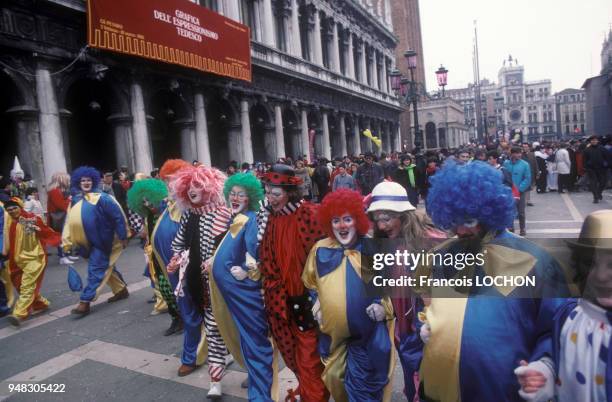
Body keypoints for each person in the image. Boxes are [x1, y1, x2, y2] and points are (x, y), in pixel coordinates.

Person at [415, 161, 570, 402]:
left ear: (488, 211)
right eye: (454, 220)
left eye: (468, 220)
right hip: (440, 390)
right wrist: (428, 326)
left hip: (502, 390)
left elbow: (557, 325)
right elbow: (428, 306)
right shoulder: (440, 257)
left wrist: (545, 365)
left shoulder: (535, 260)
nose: (460, 230)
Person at [303, 189, 395, 401]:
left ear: (357, 220)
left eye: (347, 219)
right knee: (337, 381)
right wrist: (316, 304)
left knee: (364, 391)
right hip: (333, 339)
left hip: (367, 339)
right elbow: (310, 282)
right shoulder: (320, 249)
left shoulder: (371, 248)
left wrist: (383, 306)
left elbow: (389, 285)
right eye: (335, 220)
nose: (342, 226)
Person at [516, 210, 612, 402]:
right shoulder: (569, 314)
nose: (600, 276)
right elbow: (560, 354)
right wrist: (542, 374)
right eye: (590, 263)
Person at [367, 181, 445, 399]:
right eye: (377, 219)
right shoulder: (383, 245)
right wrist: (381, 304)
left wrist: (432, 322)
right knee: (413, 386)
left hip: (432, 331)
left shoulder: (433, 242)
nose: (381, 226)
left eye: (387, 218)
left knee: (432, 387)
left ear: (404, 216)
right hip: (404, 332)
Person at [257, 164, 328, 401]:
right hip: (281, 301)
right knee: (293, 355)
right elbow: (268, 258)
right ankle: (308, 391)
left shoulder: (309, 214)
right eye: (267, 192)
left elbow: (325, 255)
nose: (270, 198)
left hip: (308, 301)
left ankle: (313, 396)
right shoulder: (272, 218)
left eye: (275, 193)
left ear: (290, 192)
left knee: (309, 357)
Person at [209, 173, 277, 401]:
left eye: (241, 194)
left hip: (245, 294)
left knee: (255, 342)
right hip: (233, 293)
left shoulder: (249, 221)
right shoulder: (236, 219)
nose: (235, 197)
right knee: (246, 341)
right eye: (233, 193)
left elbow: (259, 254)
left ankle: (261, 395)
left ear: (250, 198)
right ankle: (256, 382)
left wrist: (247, 272)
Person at [167, 165, 232, 398]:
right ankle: (216, 379)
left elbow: (236, 244)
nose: (193, 190)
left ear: (209, 187)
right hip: (201, 285)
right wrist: (176, 258)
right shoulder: (189, 216)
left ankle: (251, 368)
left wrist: (217, 260)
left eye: (197, 185)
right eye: (189, 187)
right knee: (213, 328)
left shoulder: (226, 213)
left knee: (236, 327)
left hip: (227, 284)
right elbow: (179, 243)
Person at [62, 166, 130, 317]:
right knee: (104, 266)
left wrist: (123, 236)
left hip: (103, 241)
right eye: (83, 180)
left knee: (96, 269)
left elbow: (117, 216)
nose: (86, 182)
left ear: (93, 181)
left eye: (88, 180)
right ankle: (121, 290)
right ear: (78, 182)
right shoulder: (75, 200)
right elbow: (69, 222)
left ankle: (84, 302)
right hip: (84, 244)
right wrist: (66, 243)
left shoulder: (103, 198)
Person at [127, 178, 182, 336]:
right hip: (156, 258)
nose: (148, 204)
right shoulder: (149, 216)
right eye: (144, 202)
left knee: (179, 289)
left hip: (174, 257)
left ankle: (186, 318)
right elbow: (146, 233)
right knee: (165, 289)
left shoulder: (170, 210)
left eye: (150, 200)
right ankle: (176, 318)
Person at [2, 198, 61, 326]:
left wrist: (63, 242)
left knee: (27, 286)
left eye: (14, 208)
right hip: (17, 261)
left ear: (20, 207)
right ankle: (40, 303)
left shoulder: (32, 219)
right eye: (9, 209)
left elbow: (47, 232)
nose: (12, 211)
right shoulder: (9, 222)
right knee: (18, 284)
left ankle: (19, 313)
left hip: (35, 258)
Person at [150, 159, 191, 336]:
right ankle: (178, 318)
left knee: (186, 295)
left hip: (183, 262)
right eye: (166, 180)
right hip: (163, 258)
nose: (169, 184)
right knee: (168, 291)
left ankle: (192, 327)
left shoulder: (189, 204)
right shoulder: (167, 203)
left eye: (173, 179)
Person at [503, 146, 531, 236]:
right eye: (517, 153)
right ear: (512, 154)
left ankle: (522, 228)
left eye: (520, 153)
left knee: (521, 212)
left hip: (520, 192)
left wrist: (519, 189)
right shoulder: (506, 163)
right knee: (510, 211)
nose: (519, 155)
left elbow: (527, 178)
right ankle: (511, 228)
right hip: (508, 191)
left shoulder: (525, 164)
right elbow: (503, 177)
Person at [583, 136, 609, 203]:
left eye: (595, 140)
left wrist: (606, 165)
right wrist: (586, 167)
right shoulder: (587, 150)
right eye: (592, 140)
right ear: (590, 141)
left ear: (597, 141)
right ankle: (595, 197)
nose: (594, 141)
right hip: (591, 169)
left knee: (603, 183)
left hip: (602, 169)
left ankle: (599, 192)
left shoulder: (602, 149)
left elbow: (608, 158)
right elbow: (584, 160)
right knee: (593, 184)